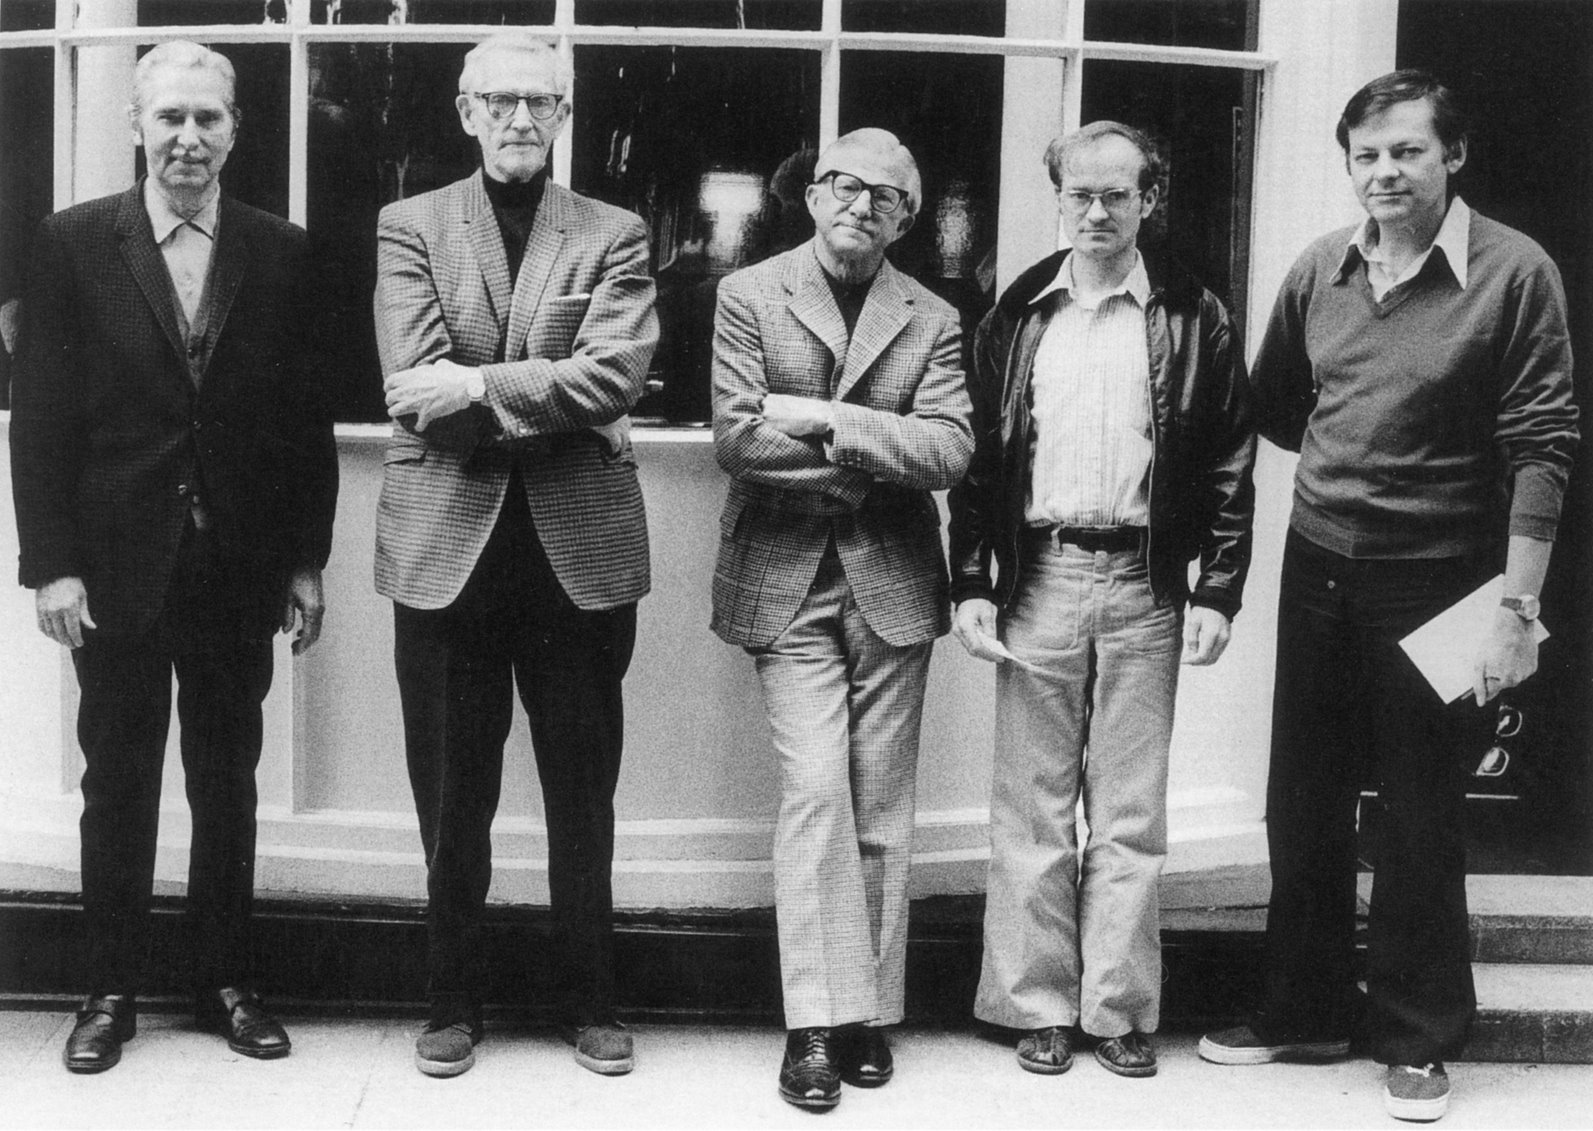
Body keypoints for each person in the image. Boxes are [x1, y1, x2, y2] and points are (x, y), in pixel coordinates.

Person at [1197, 71, 1578, 1124]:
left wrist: (1516, 609)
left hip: (1444, 579)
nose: (1384, 172)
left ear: (1453, 155)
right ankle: (1305, 1010)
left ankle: (1416, 1037)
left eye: (1406, 151)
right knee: (1302, 797)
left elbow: (1543, 447)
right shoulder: (1322, 266)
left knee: (1419, 813)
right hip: (1318, 563)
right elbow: (1278, 404)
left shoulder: (1515, 272)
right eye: (1365, 155)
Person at [8, 40, 337, 1073]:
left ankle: (226, 981)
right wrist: (51, 563)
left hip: (237, 564)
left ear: (236, 131)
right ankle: (109, 990)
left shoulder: (280, 250)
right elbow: (41, 415)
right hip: (114, 567)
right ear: (136, 126)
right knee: (118, 778)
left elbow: (304, 420)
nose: (188, 138)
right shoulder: (72, 244)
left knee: (226, 778)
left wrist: (304, 559)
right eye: (169, 118)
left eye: (208, 119)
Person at [374, 33, 658, 1080]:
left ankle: (591, 1000)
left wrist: (477, 383)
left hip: (576, 556)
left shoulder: (615, 232)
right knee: (452, 794)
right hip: (445, 547)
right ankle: (451, 1000)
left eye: (540, 101)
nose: (521, 119)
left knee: (582, 791)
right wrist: (542, 390)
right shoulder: (409, 225)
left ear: (565, 113)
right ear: (465, 111)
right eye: (500, 101)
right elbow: (412, 384)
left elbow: (616, 376)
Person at [947, 121, 1255, 1080]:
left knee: (1128, 811)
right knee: (1031, 806)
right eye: (1079, 194)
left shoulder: (1192, 313)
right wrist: (972, 579)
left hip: (1144, 582)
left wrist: (1218, 588)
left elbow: (1230, 459)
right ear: (1060, 199)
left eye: (1116, 195)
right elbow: (979, 459)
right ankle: (1035, 1005)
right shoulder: (1018, 313)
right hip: (1038, 576)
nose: (1095, 212)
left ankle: (1117, 1007)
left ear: (1148, 201)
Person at [710, 128, 973, 1112]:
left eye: (885, 196)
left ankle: (867, 1014)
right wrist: (871, 462)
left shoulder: (933, 315)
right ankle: (814, 1024)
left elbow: (948, 450)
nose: (862, 205)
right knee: (818, 792)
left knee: (881, 805)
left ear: (907, 218)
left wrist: (823, 420)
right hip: (783, 579)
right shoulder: (750, 293)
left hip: (892, 583)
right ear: (813, 195)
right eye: (845, 186)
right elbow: (738, 438)